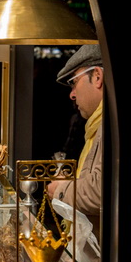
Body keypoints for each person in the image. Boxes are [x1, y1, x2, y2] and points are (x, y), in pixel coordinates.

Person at [47, 44, 103, 239]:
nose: (72, 94)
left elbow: (102, 190)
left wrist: (61, 189)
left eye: (74, 82)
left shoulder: (110, 125)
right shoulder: (97, 124)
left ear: (97, 76)